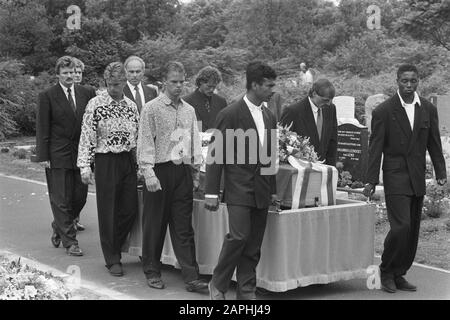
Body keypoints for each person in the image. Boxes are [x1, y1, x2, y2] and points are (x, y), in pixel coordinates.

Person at [363, 64, 447, 293]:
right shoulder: (384, 111)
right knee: (401, 227)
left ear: (419, 80)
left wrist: (440, 172)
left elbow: (434, 143)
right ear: (397, 81)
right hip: (395, 175)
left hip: (417, 175)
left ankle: (400, 272)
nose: (409, 85)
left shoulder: (427, 108)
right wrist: (370, 180)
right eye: (404, 81)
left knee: (411, 231)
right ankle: (386, 270)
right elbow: (376, 148)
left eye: (413, 81)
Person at [205, 61, 278, 300]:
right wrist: (211, 192)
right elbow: (216, 154)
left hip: (261, 189)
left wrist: (273, 190)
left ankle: (246, 290)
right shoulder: (230, 114)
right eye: (268, 85)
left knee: (253, 243)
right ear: (254, 85)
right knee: (238, 237)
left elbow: (270, 154)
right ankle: (218, 283)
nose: (272, 90)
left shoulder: (269, 115)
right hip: (238, 188)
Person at [137, 61, 208, 292]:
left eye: (181, 81)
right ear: (164, 82)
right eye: (174, 82)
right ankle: (152, 271)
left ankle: (191, 277)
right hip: (159, 170)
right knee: (155, 225)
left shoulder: (189, 110)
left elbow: (194, 140)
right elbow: (146, 141)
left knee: (183, 226)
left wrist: (196, 172)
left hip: (181, 171)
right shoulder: (152, 108)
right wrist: (148, 172)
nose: (178, 86)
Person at [77, 62, 139, 277]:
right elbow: (87, 135)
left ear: (125, 82)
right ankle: (112, 258)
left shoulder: (131, 106)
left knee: (130, 209)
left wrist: (140, 164)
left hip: (127, 161)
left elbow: (138, 137)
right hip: (105, 160)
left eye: (119, 84)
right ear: (105, 82)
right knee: (108, 211)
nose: (115, 88)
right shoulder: (95, 104)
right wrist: (85, 165)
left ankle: (115, 245)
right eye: (111, 84)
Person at [35, 56, 96, 256]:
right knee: (60, 199)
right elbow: (42, 126)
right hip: (57, 153)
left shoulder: (87, 92)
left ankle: (58, 225)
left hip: (82, 153)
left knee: (79, 197)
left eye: (72, 72)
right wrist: (43, 155)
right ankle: (71, 242)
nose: (70, 76)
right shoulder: (47, 95)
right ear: (58, 75)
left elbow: (93, 123)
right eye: (65, 73)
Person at [280, 79, 338, 166]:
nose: (329, 104)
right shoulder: (293, 111)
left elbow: (332, 140)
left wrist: (331, 169)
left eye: (331, 100)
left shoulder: (331, 109)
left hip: (324, 168)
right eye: (325, 100)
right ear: (314, 93)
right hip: (300, 169)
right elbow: (283, 143)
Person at [71, 57, 90, 232]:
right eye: (73, 72)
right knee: (68, 190)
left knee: (81, 191)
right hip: (67, 148)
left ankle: (74, 216)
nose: (76, 75)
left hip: (84, 147)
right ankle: (68, 220)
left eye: (79, 72)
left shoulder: (87, 92)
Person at [183, 66, 227, 132]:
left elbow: (225, 126)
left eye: (214, 86)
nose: (212, 89)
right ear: (201, 82)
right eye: (209, 86)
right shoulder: (186, 101)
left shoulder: (221, 102)